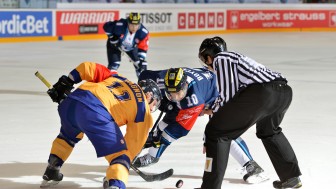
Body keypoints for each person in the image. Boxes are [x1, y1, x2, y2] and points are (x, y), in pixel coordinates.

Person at [198, 36, 302, 189]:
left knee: (216, 132)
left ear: (209, 56)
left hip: (264, 93)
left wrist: (212, 121)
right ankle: (291, 178)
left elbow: (228, 96)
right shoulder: (235, 58)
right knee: (269, 131)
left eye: (205, 59)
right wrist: (212, 110)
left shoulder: (221, 59)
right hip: (283, 92)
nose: (207, 65)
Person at [133, 67, 268, 183]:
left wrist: (157, 139)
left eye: (177, 93)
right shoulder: (164, 78)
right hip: (208, 87)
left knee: (220, 133)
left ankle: (252, 166)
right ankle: (153, 155)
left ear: (185, 85)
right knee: (163, 125)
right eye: (171, 93)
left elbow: (180, 129)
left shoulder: (194, 99)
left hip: (224, 97)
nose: (174, 96)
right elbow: (145, 76)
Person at [40, 62, 162, 189]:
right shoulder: (144, 110)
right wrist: (121, 165)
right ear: (149, 95)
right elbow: (134, 142)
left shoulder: (119, 78)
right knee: (120, 156)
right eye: (154, 104)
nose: (152, 108)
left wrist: (69, 81)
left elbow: (89, 67)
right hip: (95, 111)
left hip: (71, 102)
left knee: (67, 137)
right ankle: (115, 184)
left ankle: (52, 170)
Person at [103, 12, 149, 77]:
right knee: (114, 65)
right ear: (128, 23)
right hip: (115, 46)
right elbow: (106, 26)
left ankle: (143, 83)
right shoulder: (120, 25)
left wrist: (141, 59)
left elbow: (143, 47)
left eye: (136, 25)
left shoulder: (143, 32)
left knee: (141, 65)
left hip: (132, 48)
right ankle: (108, 82)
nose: (134, 27)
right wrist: (112, 37)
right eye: (132, 25)